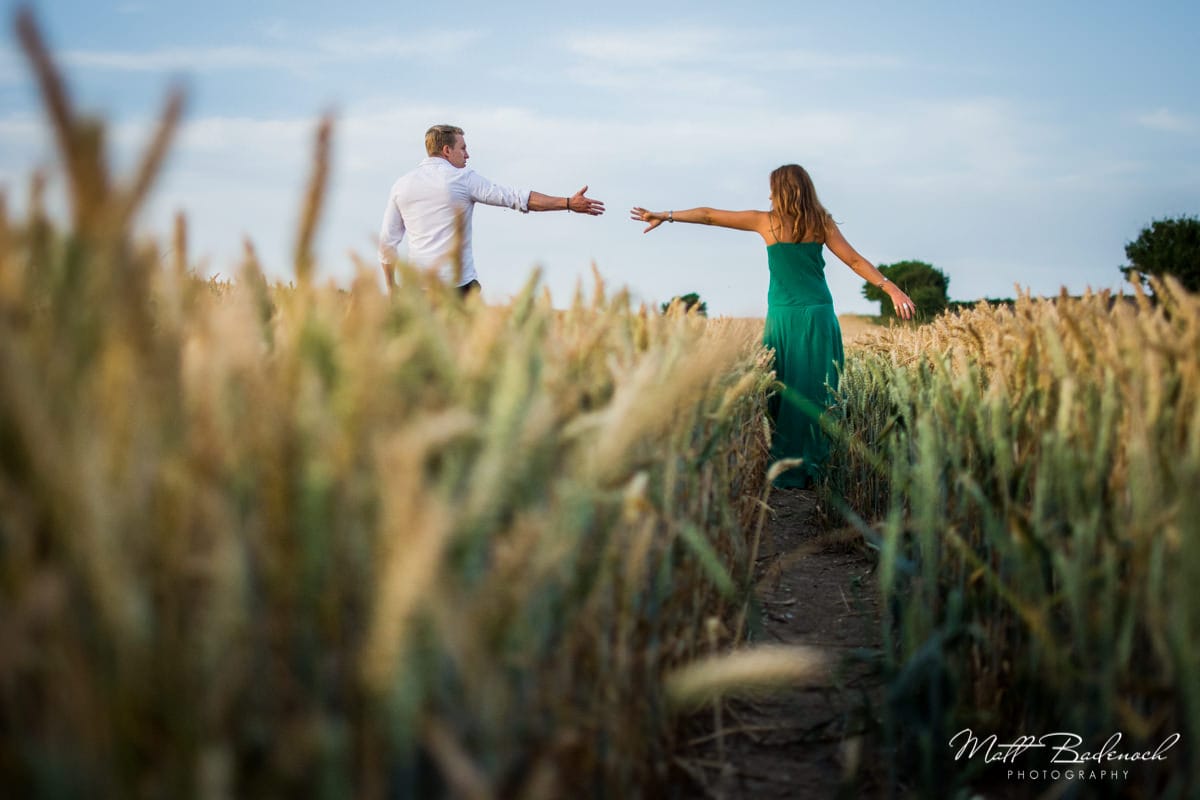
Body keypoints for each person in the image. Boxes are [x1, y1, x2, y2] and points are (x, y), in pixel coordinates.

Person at [630, 164, 915, 488]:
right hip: (818, 315)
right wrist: (891, 288)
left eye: (772, 189)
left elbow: (709, 216)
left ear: (781, 191)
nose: (768, 196)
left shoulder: (766, 222)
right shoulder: (821, 223)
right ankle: (818, 467)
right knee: (819, 391)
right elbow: (854, 260)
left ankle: (785, 467)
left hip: (784, 316)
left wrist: (665, 215)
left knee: (781, 388)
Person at [379, 124, 605, 295]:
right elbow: (516, 198)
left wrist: (391, 287)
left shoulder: (401, 185)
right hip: (459, 290)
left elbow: (387, 243)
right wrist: (568, 202)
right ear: (447, 150)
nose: (467, 155)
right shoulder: (462, 179)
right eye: (463, 148)